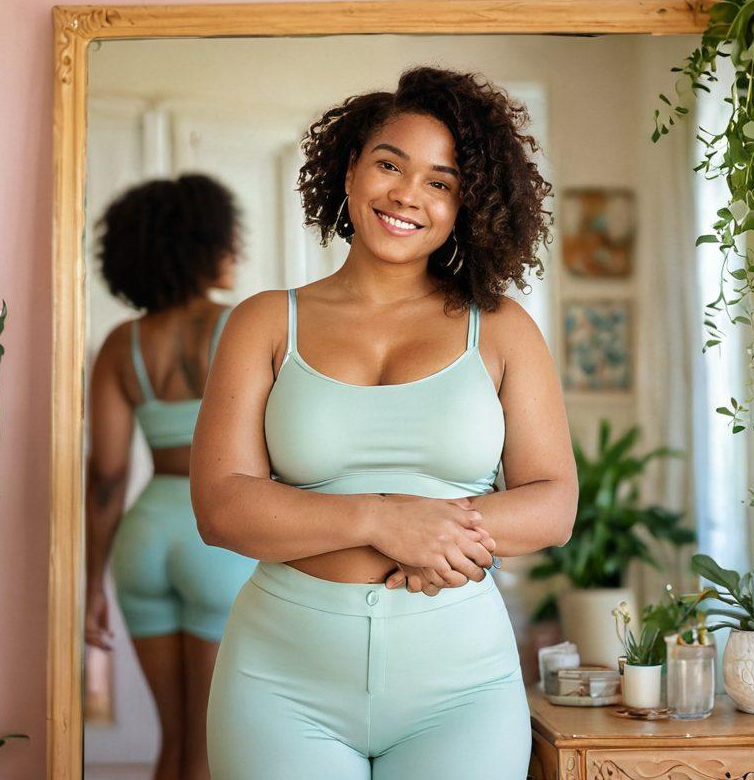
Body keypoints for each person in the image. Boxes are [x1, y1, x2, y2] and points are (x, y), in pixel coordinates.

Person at [191, 67, 578, 779]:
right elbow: (220, 506)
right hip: (279, 686)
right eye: (390, 165)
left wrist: (432, 526)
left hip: (460, 692)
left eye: (440, 181)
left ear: (467, 203)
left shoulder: (501, 329)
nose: (407, 194)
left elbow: (552, 504)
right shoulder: (264, 323)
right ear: (350, 172)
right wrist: (380, 519)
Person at [85, 174, 258, 780]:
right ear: (201, 242)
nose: (236, 250)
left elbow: (106, 477)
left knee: (173, 746)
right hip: (220, 539)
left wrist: (91, 585)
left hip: (146, 539)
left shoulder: (120, 345)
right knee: (210, 753)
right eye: (228, 238)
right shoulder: (241, 326)